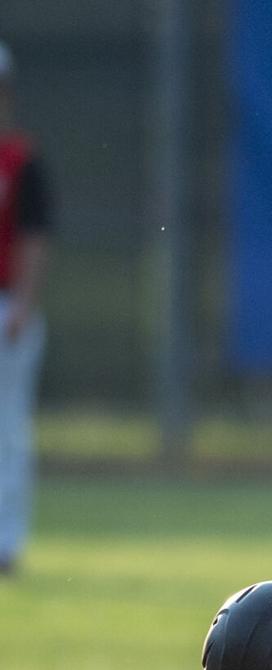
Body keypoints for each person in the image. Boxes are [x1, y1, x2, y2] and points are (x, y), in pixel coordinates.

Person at [0, 40, 51, 576]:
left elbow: (34, 237)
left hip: (5, 306)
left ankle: (5, 547)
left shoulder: (20, 160)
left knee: (7, 430)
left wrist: (22, 303)